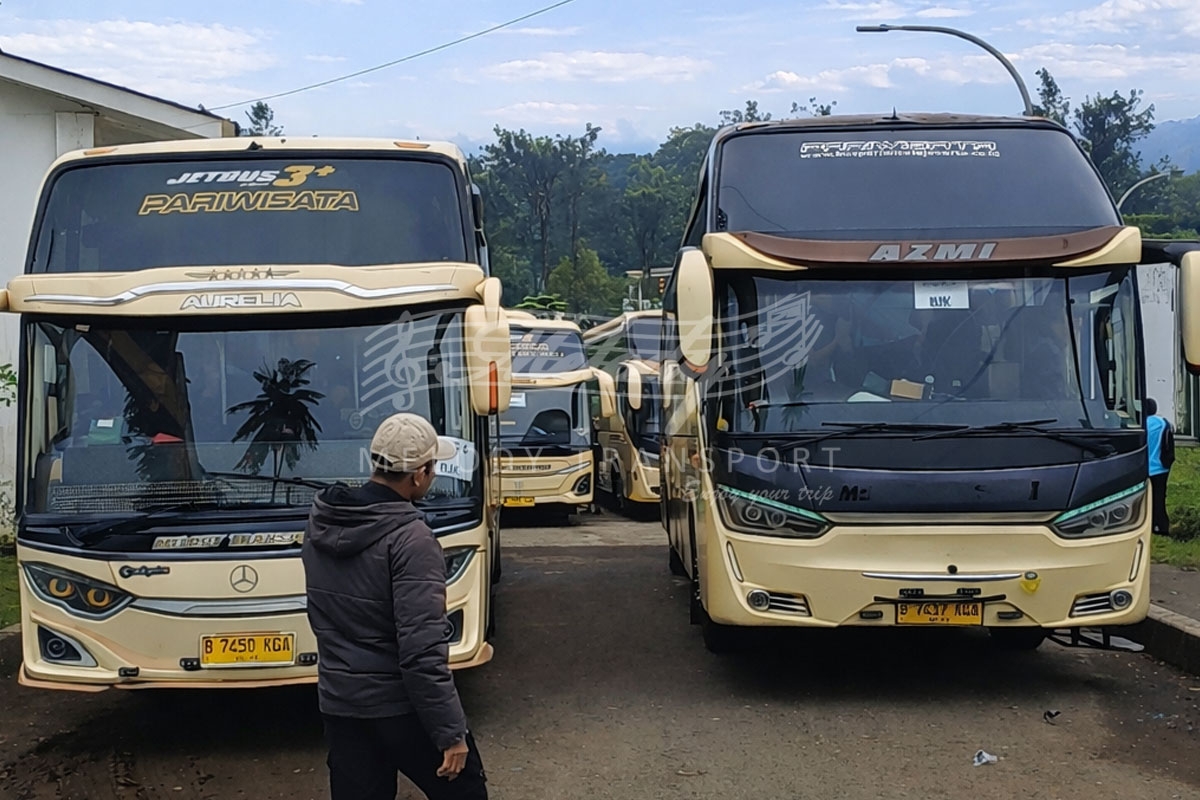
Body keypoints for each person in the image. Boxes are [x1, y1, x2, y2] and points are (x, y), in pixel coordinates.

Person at [302, 412, 487, 800]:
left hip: (341, 703)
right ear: (418, 475)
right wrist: (450, 733)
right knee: (465, 789)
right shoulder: (411, 539)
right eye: (432, 467)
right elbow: (421, 651)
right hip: (398, 707)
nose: (434, 474)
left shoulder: (321, 523)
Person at [1145, 397, 1175, 535]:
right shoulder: (1163, 423)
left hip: (1143, 468)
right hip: (1161, 467)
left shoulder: (1140, 425)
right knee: (1159, 497)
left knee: (1143, 500)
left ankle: (1146, 525)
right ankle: (1161, 527)